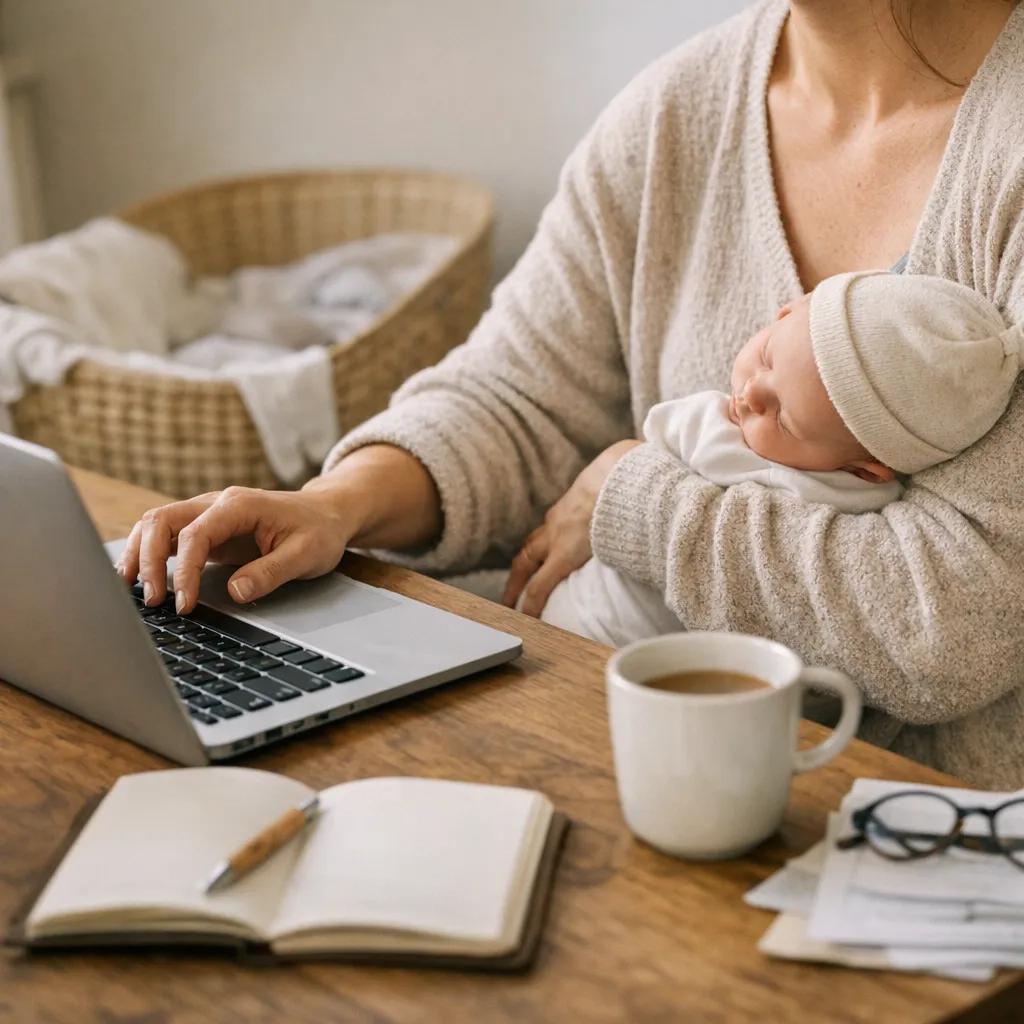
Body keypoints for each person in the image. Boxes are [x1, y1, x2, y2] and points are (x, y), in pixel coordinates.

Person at [120, 0, 1024, 787]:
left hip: (924, 838)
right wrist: (331, 505)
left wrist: (635, 497)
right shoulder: (679, 110)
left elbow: (960, 619)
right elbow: (519, 393)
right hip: (654, 765)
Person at [537, 271, 1022, 647]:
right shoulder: (883, 506)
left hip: (584, 624)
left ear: (865, 469)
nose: (750, 393)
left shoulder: (714, 434)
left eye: (785, 421)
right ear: (789, 311)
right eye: (767, 358)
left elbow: (646, 448)